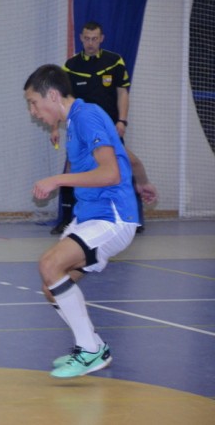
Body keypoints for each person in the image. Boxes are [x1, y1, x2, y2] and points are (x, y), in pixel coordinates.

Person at [24, 64, 156, 378]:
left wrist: (56, 179)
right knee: (51, 285)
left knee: (49, 264)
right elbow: (127, 157)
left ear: (52, 95)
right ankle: (96, 345)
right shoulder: (78, 122)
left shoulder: (87, 116)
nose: (33, 111)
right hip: (90, 218)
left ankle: (89, 351)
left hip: (112, 218)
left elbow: (110, 172)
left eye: (33, 103)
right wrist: (142, 181)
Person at [50, 21, 146, 234]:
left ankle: (134, 218)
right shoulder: (71, 66)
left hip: (109, 129)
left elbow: (123, 93)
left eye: (95, 38)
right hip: (81, 129)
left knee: (124, 166)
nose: (90, 43)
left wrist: (122, 121)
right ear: (81, 38)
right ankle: (66, 218)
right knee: (70, 170)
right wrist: (55, 128)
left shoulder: (114, 61)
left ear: (101, 38)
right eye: (86, 38)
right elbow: (61, 100)